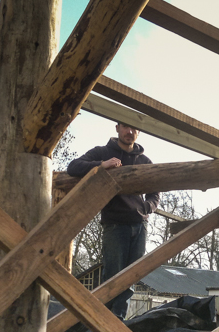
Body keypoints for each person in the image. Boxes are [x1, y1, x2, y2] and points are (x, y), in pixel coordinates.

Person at [67, 122, 159, 318]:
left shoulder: (144, 161)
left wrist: (146, 208)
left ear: (139, 132)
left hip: (139, 225)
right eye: (126, 127)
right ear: (117, 128)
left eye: (134, 128)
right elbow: (73, 166)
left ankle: (118, 320)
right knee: (112, 274)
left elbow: (155, 192)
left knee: (131, 276)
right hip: (115, 224)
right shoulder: (102, 152)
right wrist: (101, 165)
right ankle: (103, 320)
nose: (130, 132)